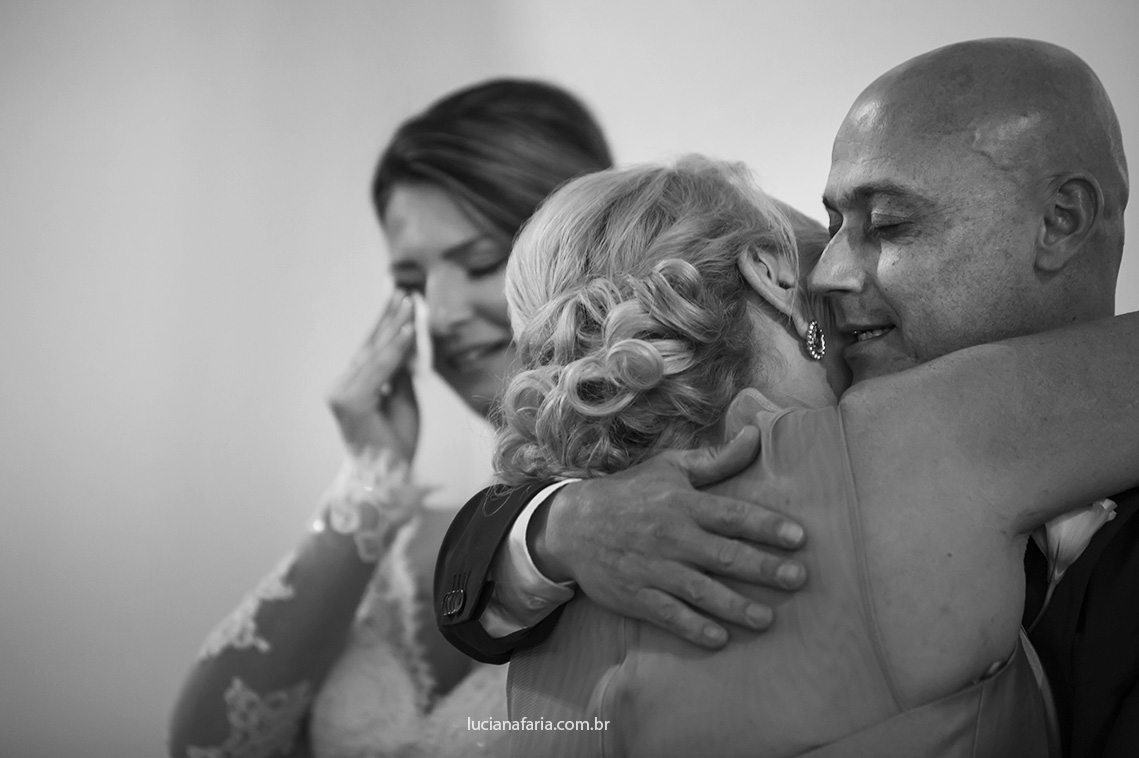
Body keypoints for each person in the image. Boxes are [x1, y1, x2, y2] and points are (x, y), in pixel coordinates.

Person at [434, 38, 1138, 757]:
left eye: (887, 224)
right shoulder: (902, 452)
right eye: (825, 232)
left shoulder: (544, 642)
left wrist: (548, 528)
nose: (834, 275)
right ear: (769, 277)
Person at [167, 78, 614, 758]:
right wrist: (370, 479)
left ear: (586, 249)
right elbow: (210, 747)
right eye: (411, 283)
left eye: (481, 262)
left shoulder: (644, 525)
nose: (438, 314)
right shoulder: (404, 554)